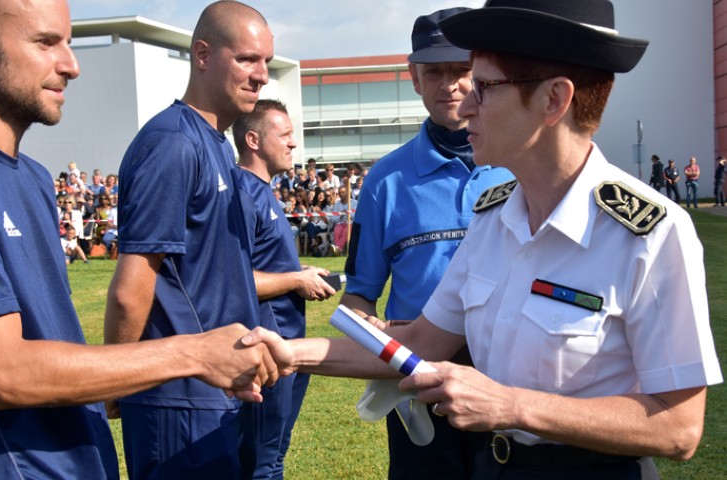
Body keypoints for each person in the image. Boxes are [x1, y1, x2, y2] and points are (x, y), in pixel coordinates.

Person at [250, 1, 723, 478]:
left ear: (554, 99)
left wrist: (512, 406)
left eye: (485, 86)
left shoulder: (649, 233)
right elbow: (419, 342)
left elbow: (678, 428)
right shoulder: (494, 219)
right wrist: (290, 352)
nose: (465, 102)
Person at [0, 1, 281, 478]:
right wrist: (193, 353)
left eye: (68, 43)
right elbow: (3, 373)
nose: (72, 65)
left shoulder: (30, 177)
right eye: (46, 43)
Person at [103, 2, 277, 478]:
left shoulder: (217, 143)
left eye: (266, 62)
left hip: (219, 389)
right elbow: (131, 287)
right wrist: (118, 380)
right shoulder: (173, 144)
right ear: (203, 54)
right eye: (247, 59)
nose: (261, 76)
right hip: (177, 399)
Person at [339, 7, 513, 479]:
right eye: (433, 71)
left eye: (460, 70)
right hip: (420, 386)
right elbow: (358, 297)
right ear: (414, 79)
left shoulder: (520, 165)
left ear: (481, 74)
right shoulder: (384, 181)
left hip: (509, 386)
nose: (449, 84)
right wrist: (379, 344)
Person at [233, 99, 337, 479]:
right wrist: (296, 280)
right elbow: (230, 280)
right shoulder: (241, 195)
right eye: (285, 135)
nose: (294, 144)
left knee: (274, 455)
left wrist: (300, 270)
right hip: (264, 352)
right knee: (261, 463)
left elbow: (261, 266)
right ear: (253, 140)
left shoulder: (265, 191)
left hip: (289, 347)